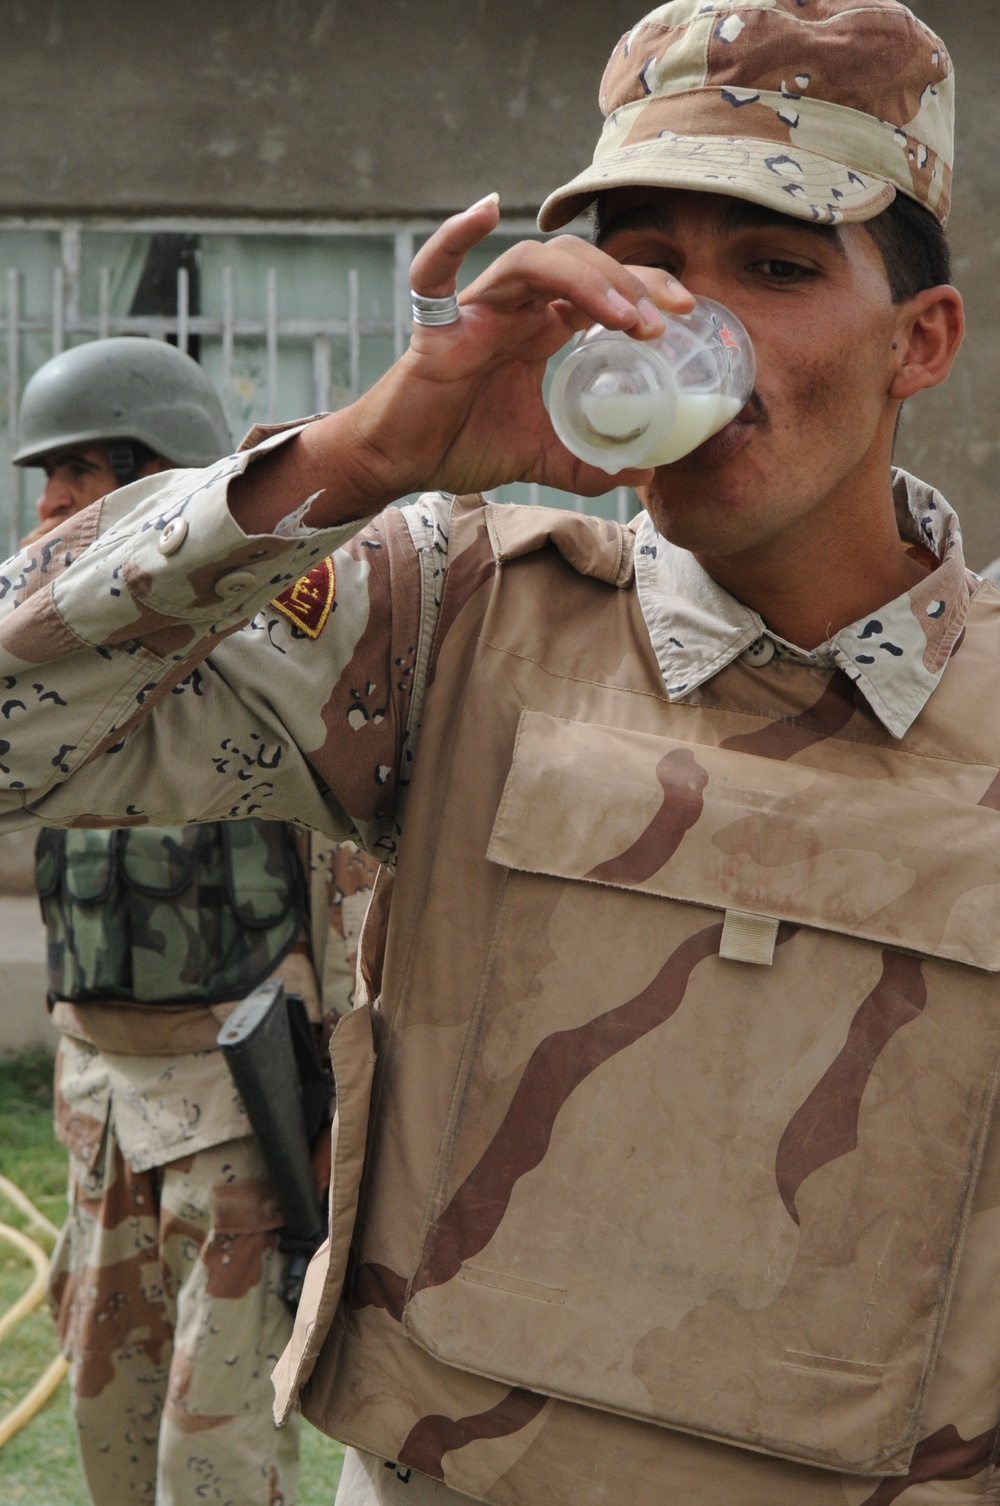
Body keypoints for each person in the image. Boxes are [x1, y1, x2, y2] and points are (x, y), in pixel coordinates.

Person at [0, 1, 991, 1501]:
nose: (680, 322)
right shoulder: (447, 618)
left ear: (921, 338)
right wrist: (358, 456)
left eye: (775, 268)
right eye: (641, 267)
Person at [12, 336, 378, 1506]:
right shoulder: (48, 656)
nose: (56, 503)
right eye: (48, 476)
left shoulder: (270, 637)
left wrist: (339, 1116)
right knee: (107, 1420)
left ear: (165, 474)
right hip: (96, 1102)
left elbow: (348, 887)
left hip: (230, 1108)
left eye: (89, 472)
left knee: (211, 1451)